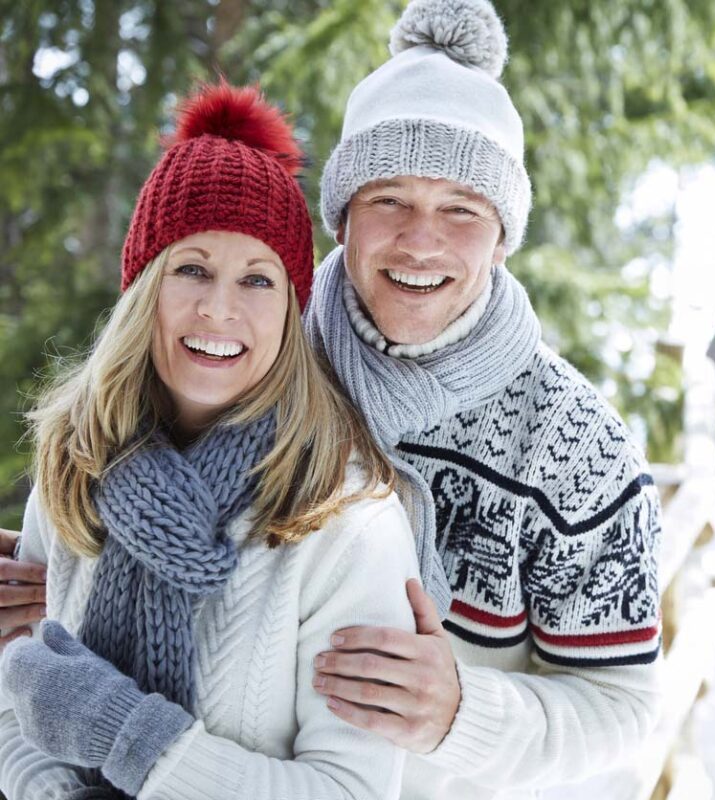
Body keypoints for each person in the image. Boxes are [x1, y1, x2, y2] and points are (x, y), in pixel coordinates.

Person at [0, 82, 419, 800]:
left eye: (258, 280)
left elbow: (350, 790)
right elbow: (22, 700)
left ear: (290, 313)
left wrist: (128, 736)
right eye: (191, 268)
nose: (219, 309)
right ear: (143, 289)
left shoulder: (345, 522)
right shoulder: (73, 468)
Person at [301, 0, 664, 795]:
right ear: (343, 219)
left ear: (502, 237)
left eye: (461, 209)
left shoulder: (570, 442)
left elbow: (624, 708)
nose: (420, 240)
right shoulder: (268, 369)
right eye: (389, 198)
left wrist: (462, 712)